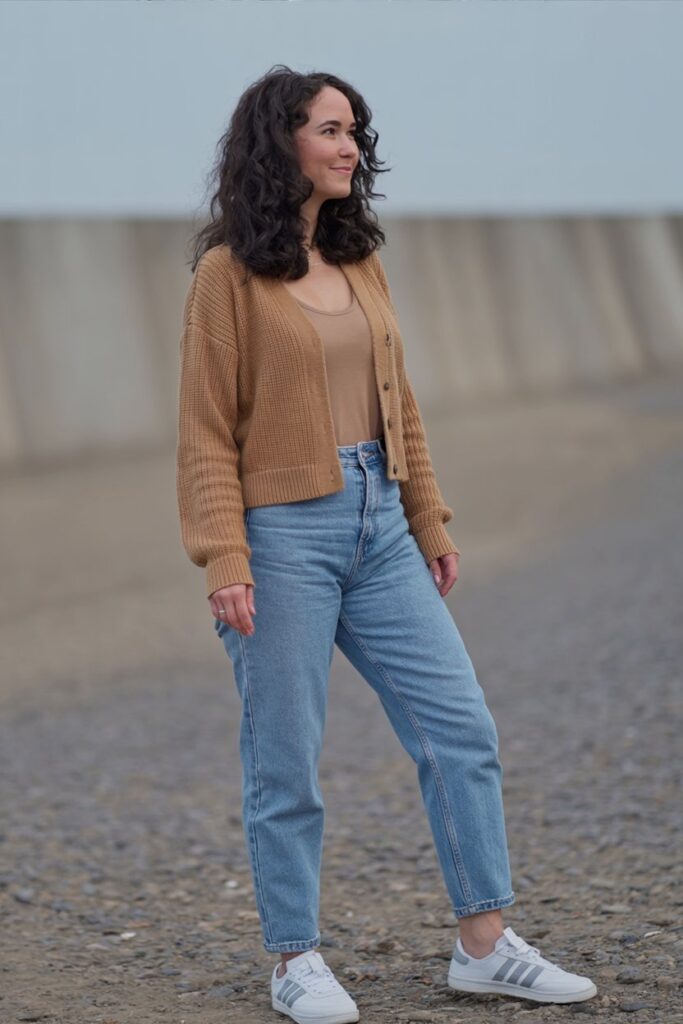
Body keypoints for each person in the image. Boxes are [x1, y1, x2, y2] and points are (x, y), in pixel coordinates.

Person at [176, 65, 597, 1024]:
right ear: (278, 140)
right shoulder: (225, 277)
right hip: (281, 532)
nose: (349, 146)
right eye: (330, 128)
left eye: (355, 131)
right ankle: (294, 958)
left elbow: (399, 404)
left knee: (460, 729)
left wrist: (428, 518)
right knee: (284, 756)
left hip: (382, 519)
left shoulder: (361, 259)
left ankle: (483, 945)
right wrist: (223, 556)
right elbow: (204, 429)